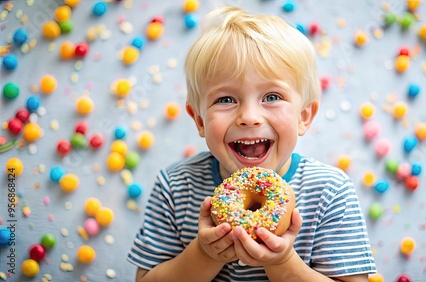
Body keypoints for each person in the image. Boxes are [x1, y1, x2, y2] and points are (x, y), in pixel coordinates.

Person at [127, 5, 377, 281]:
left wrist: (284, 263)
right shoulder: (175, 187)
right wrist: (204, 254)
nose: (249, 117)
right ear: (199, 120)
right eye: (225, 99)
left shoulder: (330, 192)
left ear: (303, 117)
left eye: (271, 97)